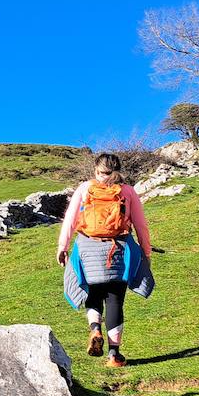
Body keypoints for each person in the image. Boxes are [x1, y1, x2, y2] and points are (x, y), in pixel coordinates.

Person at [56, 153, 153, 368]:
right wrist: (146, 252)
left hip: (88, 248)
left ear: (95, 170)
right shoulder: (127, 191)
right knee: (115, 299)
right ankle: (114, 356)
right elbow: (141, 225)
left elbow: (70, 221)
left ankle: (94, 329)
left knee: (93, 294)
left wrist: (62, 247)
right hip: (118, 249)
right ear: (119, 169)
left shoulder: (85, 189)